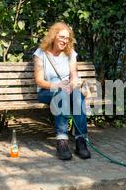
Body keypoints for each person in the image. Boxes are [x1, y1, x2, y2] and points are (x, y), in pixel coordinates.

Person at [33, 22, 91, 161]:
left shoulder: (70, 53)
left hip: (67, 90)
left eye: (67, 38)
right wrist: (57, 85)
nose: (65, 40)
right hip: (47, 90)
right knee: (62, 95)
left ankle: (80, 141)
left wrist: (72, 85)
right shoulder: (40, 53)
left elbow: (74, 75)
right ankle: (62, 142)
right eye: (62, 37)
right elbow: (39, 80)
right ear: (53, 36)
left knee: (77, 95)